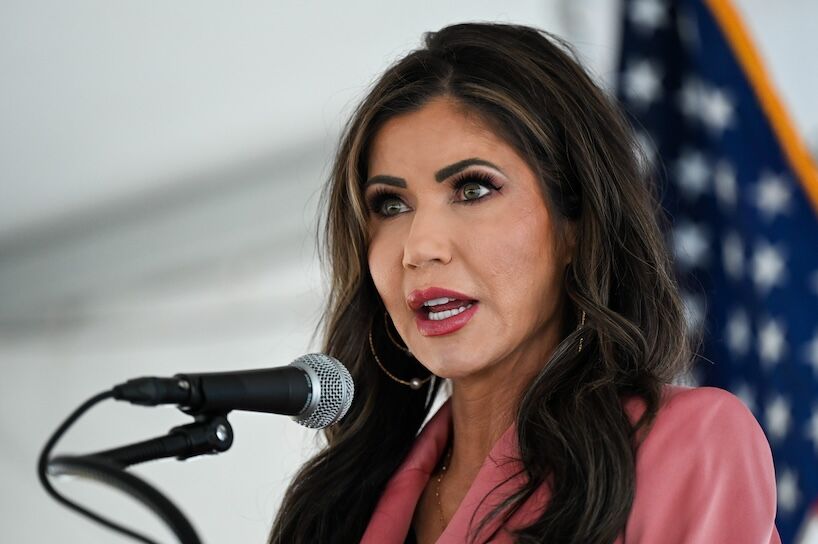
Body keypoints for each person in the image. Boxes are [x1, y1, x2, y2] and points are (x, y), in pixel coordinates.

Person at [269, 22, 781, 544]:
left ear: (574, 227)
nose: (419, 247)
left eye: (472, 189)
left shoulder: (688, 445)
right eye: (391, 205)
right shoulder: (331, 510)